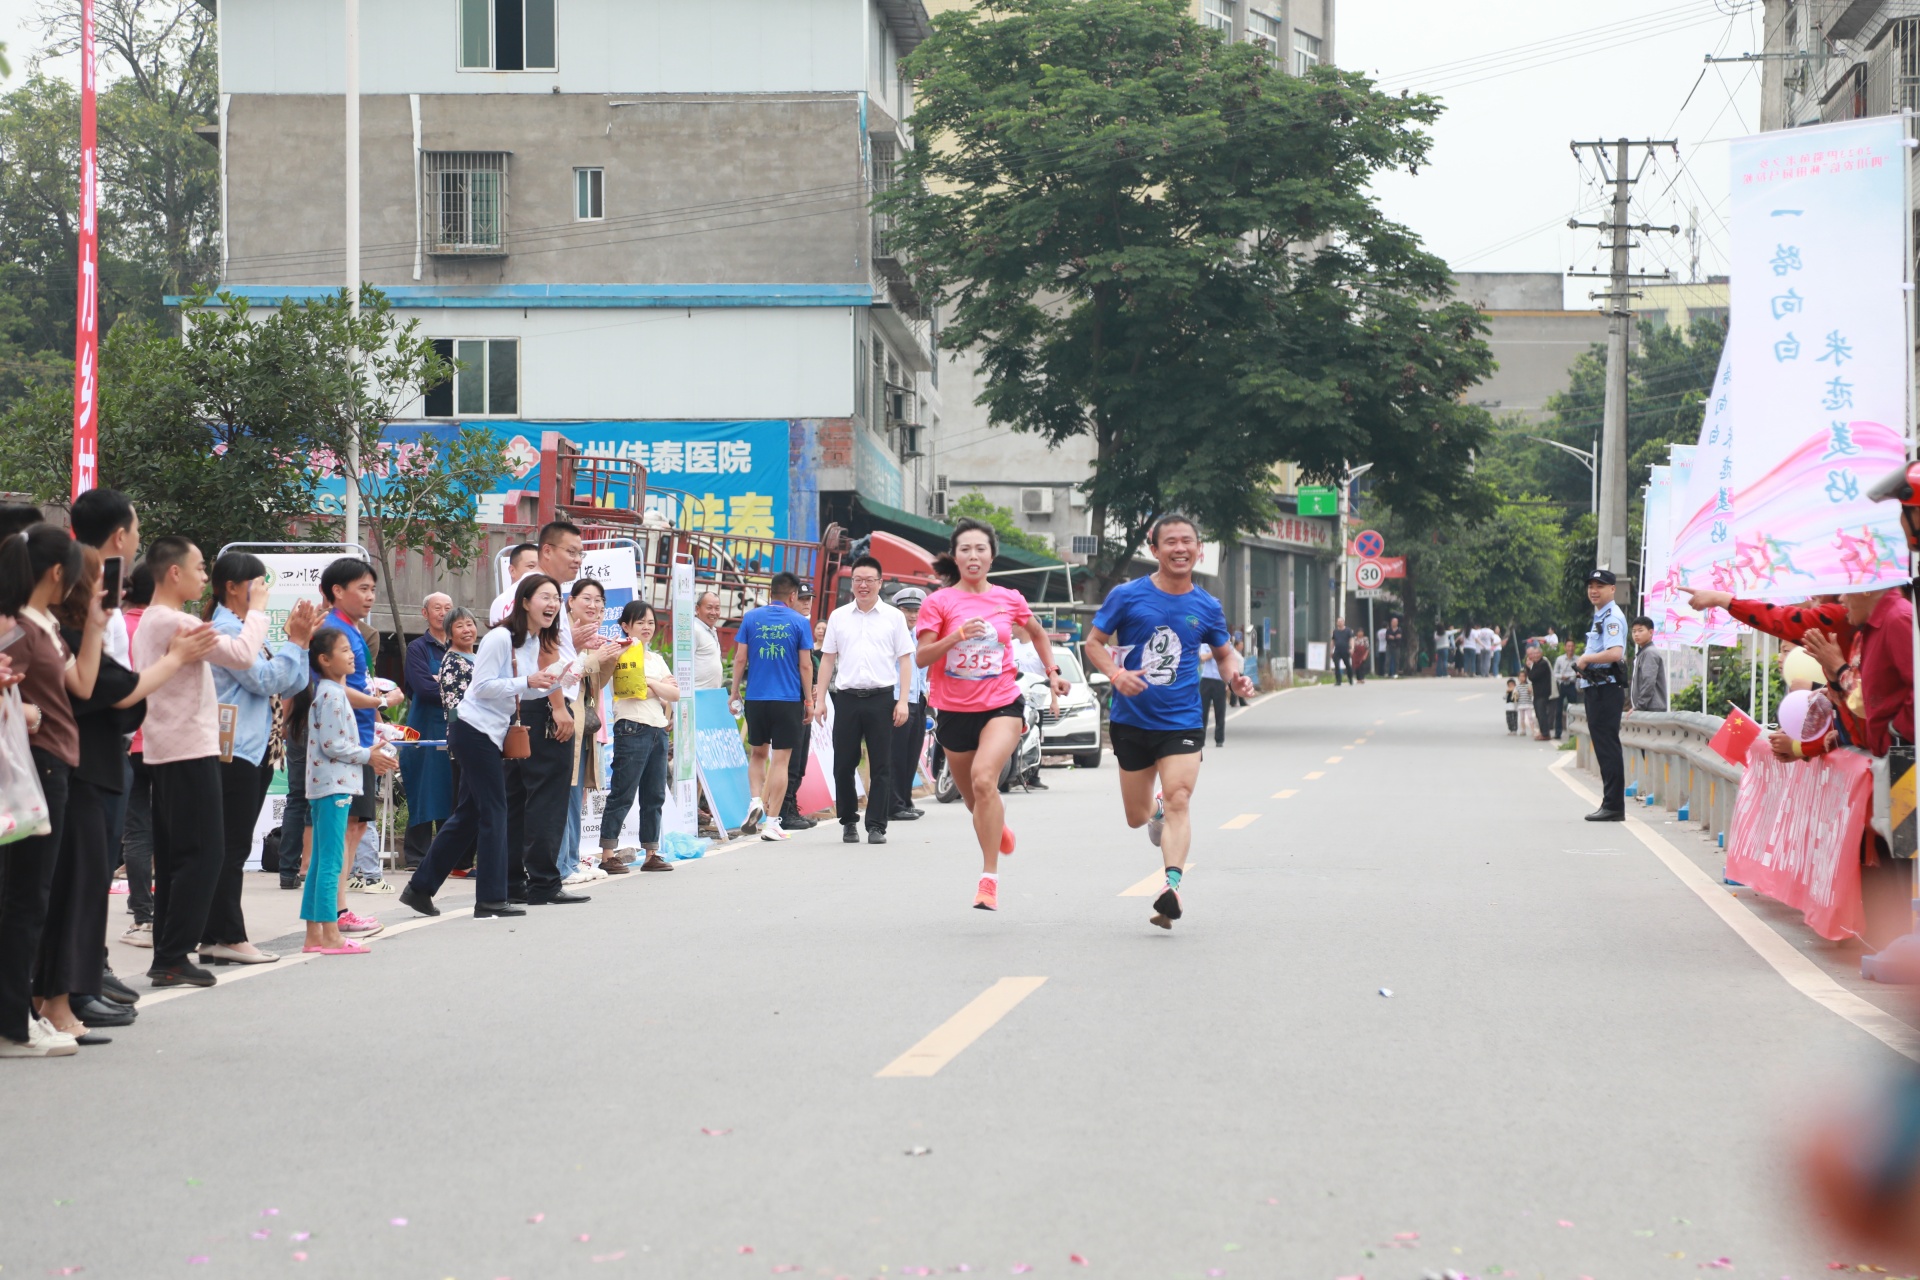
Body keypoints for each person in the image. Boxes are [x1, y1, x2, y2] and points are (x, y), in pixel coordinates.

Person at [1084, 513, 1252, 931]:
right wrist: (1117, 675)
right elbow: (1094, 643)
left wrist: (1236, 676)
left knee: (1180, 797)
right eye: (1171, 542)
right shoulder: (1127, 596)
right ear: (1154, 549)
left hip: (1181, 721)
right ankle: (1154, 809)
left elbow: (1226, 652)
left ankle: (1172, 887)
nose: (1181, 548)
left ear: (1199, 548)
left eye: (1188, 541)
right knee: (1137, 816)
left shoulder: (1207, 605)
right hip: (1132, 721)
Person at [130, 537, 273, 988]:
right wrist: (259, 611)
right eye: (197, 567)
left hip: (169, 747)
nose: (202, 575)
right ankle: (173, 954)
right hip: (188, 748)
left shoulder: (156, 620)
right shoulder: (177, 621)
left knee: (178, 855)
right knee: (204, 853)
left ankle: (169, 955)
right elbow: (243, 656)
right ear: (173, 573)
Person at [914, 518, 1070, 911]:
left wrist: (1052, 673)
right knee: (974, 801)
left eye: (980, 549)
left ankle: (988, 879)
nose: (973, 555)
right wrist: (956, 636)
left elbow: (1036, 632)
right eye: (965, 549)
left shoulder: (1009, 598)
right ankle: (996, 826)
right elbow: (922, 657)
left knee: (986, 780)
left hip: (1002, 703)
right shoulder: (939, 602)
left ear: (991, 556)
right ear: (956, 555)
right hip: (953, 711)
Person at [402, 575, 564, 919]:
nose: (552, 604)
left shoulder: (531, 642)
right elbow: (484, 687)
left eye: (556, 597)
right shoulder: (499, 638)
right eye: (545, 596)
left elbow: (524, 690)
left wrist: (554, 680)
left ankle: (420, 888)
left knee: (469, 815)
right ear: (524, 602)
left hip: (489, 733)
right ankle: (490, 898)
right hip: (473, 730)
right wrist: (527, 681)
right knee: (494, 810)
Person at [0, 527, 103, 1057]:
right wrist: (24, 711)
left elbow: (81, 684)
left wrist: (97, 628)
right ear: (57, 572)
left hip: (54, 763)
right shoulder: (15, 626)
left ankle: (19, 1015)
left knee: (30, 896)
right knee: (24, 896)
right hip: (36, 765)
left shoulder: (41, 624)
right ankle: (12, 1024)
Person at [204, 551, 314, 965]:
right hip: (234, 751)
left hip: (258, 749)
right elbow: (265, 678)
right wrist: (297, 643)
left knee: (230, 844)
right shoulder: (228, 629)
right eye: (259, 582)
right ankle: (227, 936)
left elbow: (294, 681)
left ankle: (215, 934)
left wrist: (298, 643)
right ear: (233, 587)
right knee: (231, 846)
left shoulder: (247, 629)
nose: (265, 590)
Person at [490, 522, 599, 905]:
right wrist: (558, 707)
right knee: (547, 797)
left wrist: (577, 644)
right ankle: (543, 882)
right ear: (547, 551)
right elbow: (544, 652)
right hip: (543, 704)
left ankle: (512, 881)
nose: (577, 560)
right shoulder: (544, 597)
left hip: (514, 707)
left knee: (517, 797)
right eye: (571, 551)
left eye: (581, 553)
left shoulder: (511, 596)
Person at [297, 628, 399, 954]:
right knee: (330, 861)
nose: (351, 654)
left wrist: (369, 748)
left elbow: (338, 743)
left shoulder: (330, 691)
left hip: (330, 783)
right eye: (344, 650)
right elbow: (333, 745)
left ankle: (315, 935)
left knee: (322, 861)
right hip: (334, 785)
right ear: (325, 660)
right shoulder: (331, 694)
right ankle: (330, 936)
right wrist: (368, 755)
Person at [318, 559, 405, 900]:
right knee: (341, 830)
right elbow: (330, 688)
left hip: (361, 739)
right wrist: (380, 703)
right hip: (343, 743)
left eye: (373, 589)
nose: (370, 597)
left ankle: (337, 910)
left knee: (356, 826)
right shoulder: (331, 630)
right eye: (363, 589)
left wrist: (378, 722)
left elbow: (358, 684)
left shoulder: (352, 629)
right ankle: (331, 913)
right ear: (337, 591)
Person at [813, 555, 914, 846]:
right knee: (843, 764)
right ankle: (848, 821)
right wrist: (820, 700)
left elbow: (905, 661)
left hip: (882, 699)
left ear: (880, 583)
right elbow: (828, 659)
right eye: (858, 579)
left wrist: (903, 701)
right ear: (852, 583)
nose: (863, 585)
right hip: (846, 699)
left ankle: (877, 826)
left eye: (870, 580)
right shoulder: (838, 616)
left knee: (881, 764)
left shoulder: (894, 617)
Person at [730, 571, 814, 842]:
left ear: (770, 594)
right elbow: (805, 664)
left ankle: (755, 800)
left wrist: (735, 692)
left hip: (756, 698)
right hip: (787, 699)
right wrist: (809, 700)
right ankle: (772, 822)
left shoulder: (751, 618)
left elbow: (740, 659)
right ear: (793, 596)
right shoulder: (800, 622)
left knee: (757, 754)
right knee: (781, 760)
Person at [599, 601, 679, 872]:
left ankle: (651, 854)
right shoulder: (619, 653)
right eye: (640, 622)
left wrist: (651, 684)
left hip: (658, 729)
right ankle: (607, 854)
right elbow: (632, 689)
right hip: (632, 727)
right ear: (625, 626)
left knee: (654, 794)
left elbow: (676, 694)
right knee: (623, 792)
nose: (647, 627)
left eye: (651, 623)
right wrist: (659, 688)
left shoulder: (656, 659)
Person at [559, 577, 614, 883]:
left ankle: (570, 860)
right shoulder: (563, 633)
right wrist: (595, 658)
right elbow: (564, 676)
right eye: (588, 599)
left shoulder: (593, 635)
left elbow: (593, 685)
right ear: (571, 601)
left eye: (599, 602)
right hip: (565, 722)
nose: (594, 606)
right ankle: (561, 865)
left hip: (585, 725)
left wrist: (607, 658)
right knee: (564, 795)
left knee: (576, 795)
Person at [399, 593, 456, 869]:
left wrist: (443, 684)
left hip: (455, 728)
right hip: (423, 728)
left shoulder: (460, 647)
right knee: (423, 789)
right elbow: (423, 687)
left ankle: (448, 856)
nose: (443, 613)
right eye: (437, 608)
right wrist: (455, 688)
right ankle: (416, 856)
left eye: (448, 608)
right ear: (425, 614)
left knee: (452, 790)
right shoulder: (418, 648)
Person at [1576, 569, 1629, 821]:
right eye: (1591, 586)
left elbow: (1615, 652)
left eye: (1600, 585)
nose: (1594, 590)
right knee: (1605, 747)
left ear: (1612, 589)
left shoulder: (1611, 618)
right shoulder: (1601, 615)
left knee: (1608, 747)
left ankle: (1614, 807)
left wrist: (1586, 659)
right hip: (1598, 687)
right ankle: (1610, 804)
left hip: (1606, 688)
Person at [887, 587, 931, 822]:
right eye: (907, 610)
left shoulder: (920, 637)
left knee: (912, 753)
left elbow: (922, 671)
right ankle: (893, 804)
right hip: (897, 699)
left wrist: (926, 692)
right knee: (896, 754)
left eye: (916, 611)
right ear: (898, 610)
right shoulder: (892, 634)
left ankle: (905, 799)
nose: (912, 615)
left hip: (918, 700)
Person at [1628, 615, 1668, 714]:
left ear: (1651, 632)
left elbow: (1648, 682)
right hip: (1647, 709)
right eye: (1634, 631)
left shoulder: (1649, 653)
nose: (1636, 634)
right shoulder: (1644, 652)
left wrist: (1639, 707)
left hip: (1651, 710)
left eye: (1640, 630)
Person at [692, 590, 725, 691]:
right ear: (697, 609)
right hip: (697, 694)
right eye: (709, 608)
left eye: (717, 608)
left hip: (711, 695)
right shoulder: (694, 629)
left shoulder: (711, 630)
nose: (713, 613)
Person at [1526, 644, 1556, 741]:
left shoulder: (1543, 663)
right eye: (1533, 654)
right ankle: (1543, 732)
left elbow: (1533, 676)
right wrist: (1529, 667)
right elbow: (1530, 675)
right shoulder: (1535, 664)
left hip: (1543, 693)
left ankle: (1545, 733)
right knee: (1538, 713)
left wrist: (1530, 667)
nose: (1535, 656)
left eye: (1537, 653)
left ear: (1541, 654)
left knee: (1542, 713)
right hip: (1537, 693)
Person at [1199, 647, 1228, 747]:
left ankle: (1219, 739)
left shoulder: (1224, 642)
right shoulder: (1205, 644)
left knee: (1220, 711)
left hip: (1219, 680)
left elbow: (1228, 662)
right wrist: (1215, 652)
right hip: (1206, 679)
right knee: (1203, 711)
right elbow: (1203, 657)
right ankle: (1200, 739)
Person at [1328, 617, 1354, 686]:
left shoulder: (1348, 630)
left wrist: (1352, 648)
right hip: (1337, 650)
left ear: (1343, 622)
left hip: (1345, 650)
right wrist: (1331, 650)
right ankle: (1338, 681)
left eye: (1340, 621)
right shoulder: (1335, 631)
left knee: (1347, 665)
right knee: (1336, 665)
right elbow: (1333, 641)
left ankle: (1350, 678)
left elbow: (1351, 639)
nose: (1339, 623)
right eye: (1338, 621)